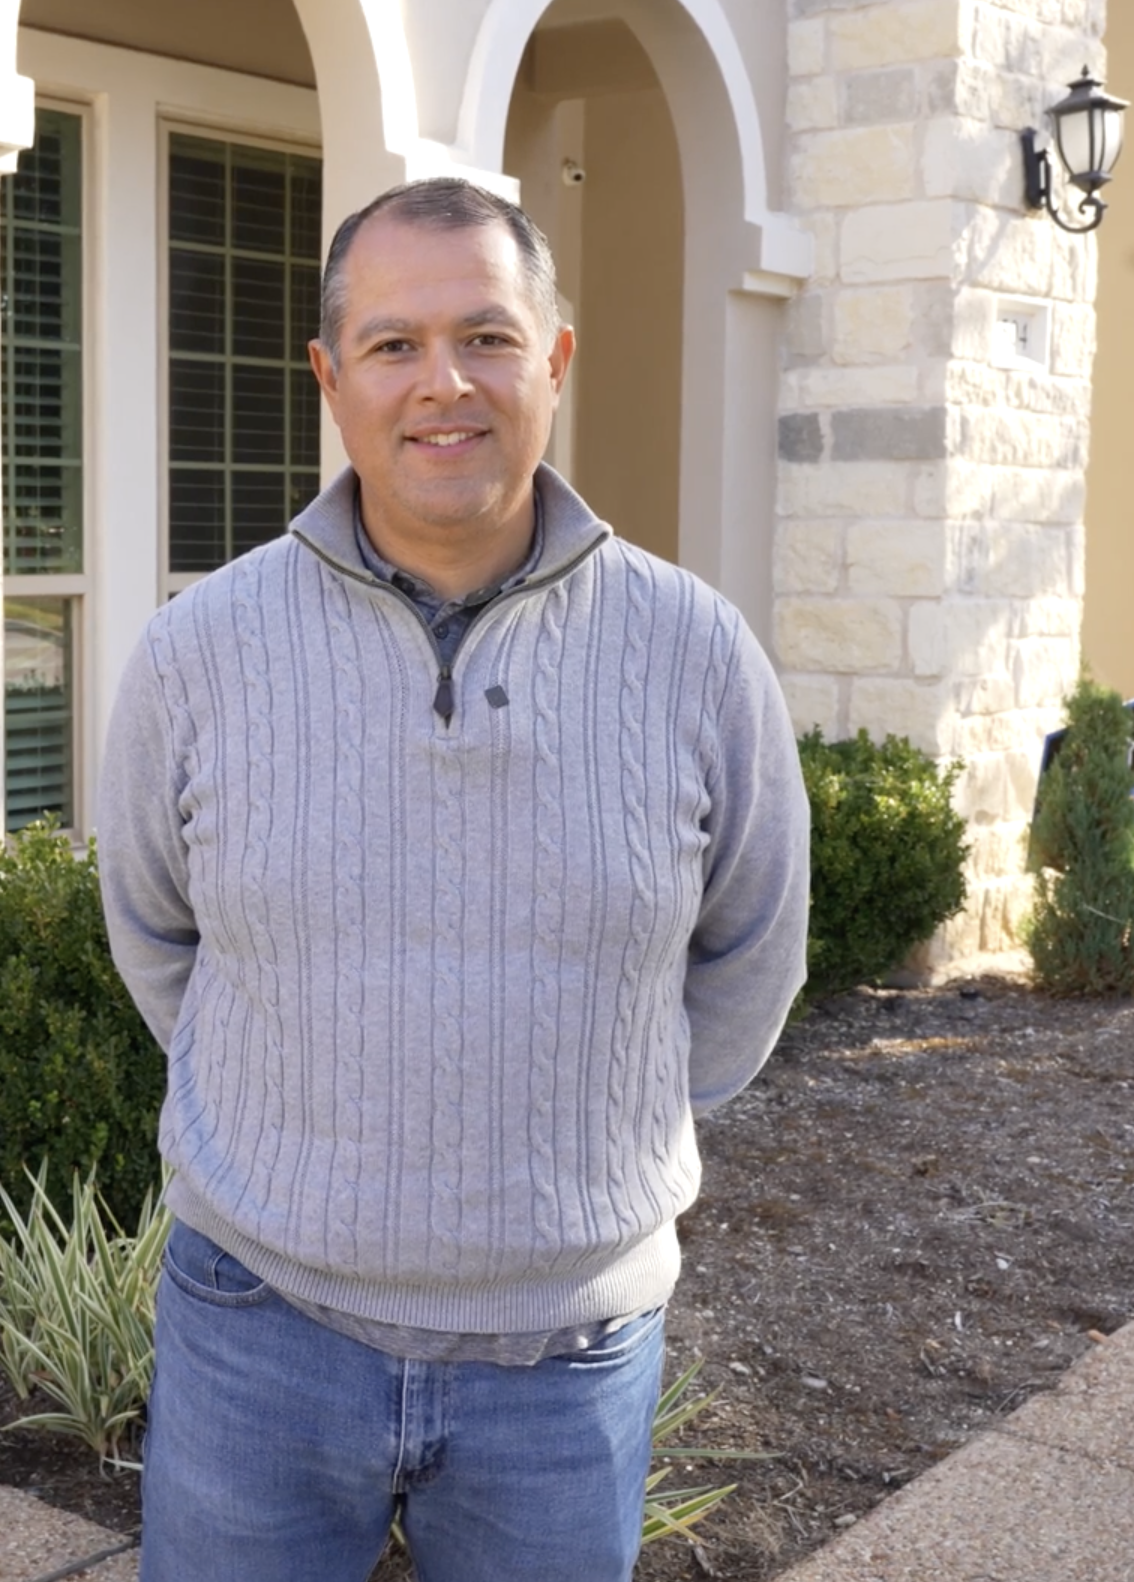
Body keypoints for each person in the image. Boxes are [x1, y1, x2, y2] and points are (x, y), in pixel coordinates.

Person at [96, 177, 810, 1582]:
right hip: (259, 1326)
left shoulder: (696, 650)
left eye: (486, 337)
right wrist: (310, 1119)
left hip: (567, 1356)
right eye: (393, 344)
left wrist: (577, 1140)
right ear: (328, 377)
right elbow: (155, 928)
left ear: (553, 357)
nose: (444, 384)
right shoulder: (199, 649)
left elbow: (752, 952)